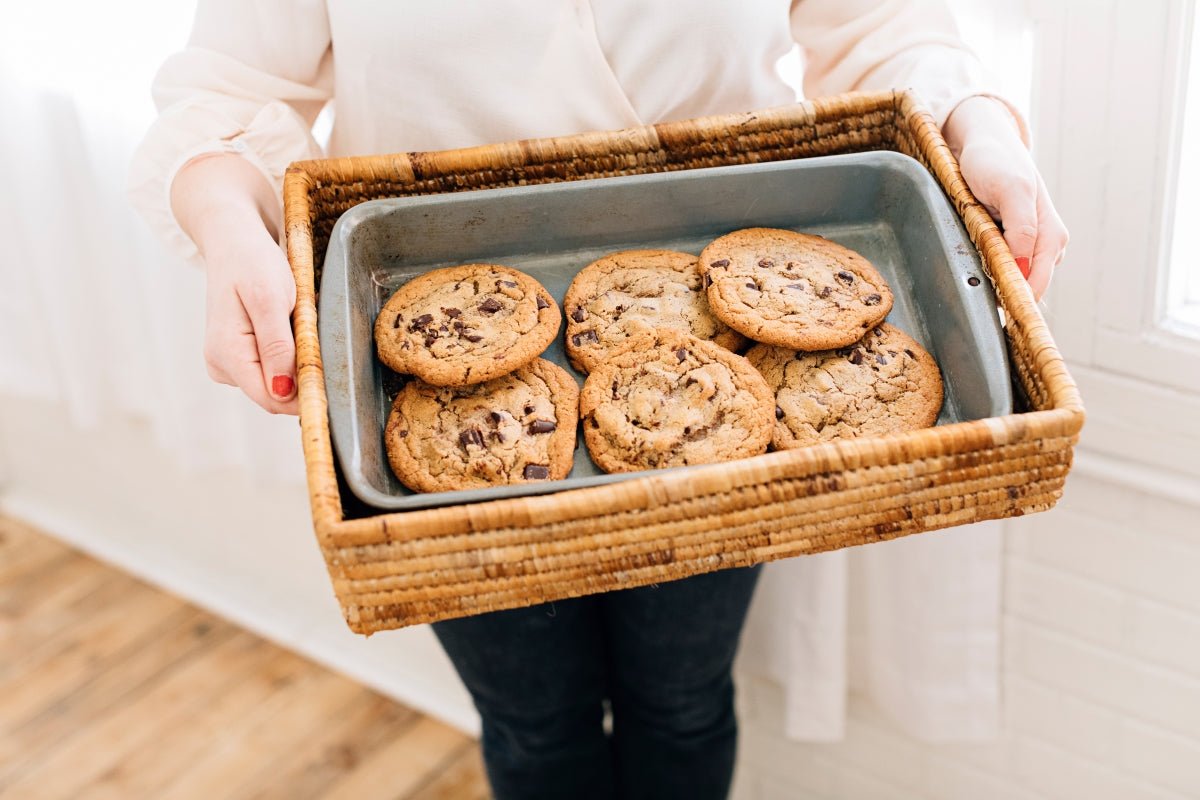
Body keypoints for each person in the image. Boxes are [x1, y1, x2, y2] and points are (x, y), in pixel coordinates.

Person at [130, 2, 1068, 798]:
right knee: (536, 725)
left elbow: (881, 23)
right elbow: (226, 95)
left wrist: (978, 127)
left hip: (720, 369)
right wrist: (227, 227)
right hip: (431, 311)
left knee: (686, 699)